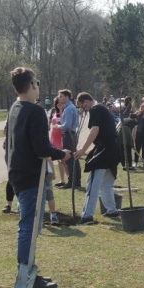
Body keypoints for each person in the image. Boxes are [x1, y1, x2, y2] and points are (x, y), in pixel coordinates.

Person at [6, 67, 69, 288]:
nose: (38, 87)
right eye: (37, 83)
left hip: (17, 173)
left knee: (30, 224)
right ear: (32, 85)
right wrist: (62, 153)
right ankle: (25, 275)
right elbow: (41, 147)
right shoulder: (34, 112)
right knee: (30, 226)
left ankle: (30, 269)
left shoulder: (14, 108)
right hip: (31, 175)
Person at [73, 92, 122, 225]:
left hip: (104, 150)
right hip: (113, 149)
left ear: (86, 102)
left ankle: (87, 215)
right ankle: (112, 209)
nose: (85, 110)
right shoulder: (103, 109)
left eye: (83, 107)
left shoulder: (95, 109)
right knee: (106, 183)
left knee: (92, 184)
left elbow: (94, 130)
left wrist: (83, 149)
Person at [56, 89, 81, 189]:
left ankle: (72, 182)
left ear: (67, 97)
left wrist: (58, 126)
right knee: (74, 158)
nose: (59, 98)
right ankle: (76, 181)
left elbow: (67, 125)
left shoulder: (69, 108)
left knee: (70, 159)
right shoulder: (69, 107)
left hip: (69, 134)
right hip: (71, 134)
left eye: (61, 96)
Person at [49, 97, 68, 184]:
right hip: (54, 138)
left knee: (63, 160)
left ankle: (70, 178)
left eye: (61, 103)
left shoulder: (64, 112)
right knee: (59, 160)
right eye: (58, 103)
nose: (59, 104)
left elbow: (62, 124)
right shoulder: (55, 112)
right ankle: (62, 180)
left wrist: (61, 109)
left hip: (61, 138)